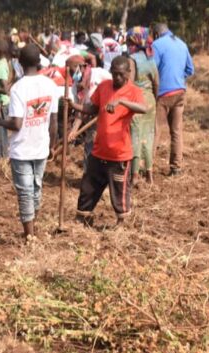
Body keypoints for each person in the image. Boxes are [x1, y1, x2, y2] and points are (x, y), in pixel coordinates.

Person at [0, 44, 59, 240]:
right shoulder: (50, 85)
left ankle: (29, 235)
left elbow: (16, 124)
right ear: (39, 63)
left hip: (22, 149)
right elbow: (53, 121)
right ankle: (32, 229)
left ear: (19, 63)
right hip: (41, 147)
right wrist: (52, 146)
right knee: (36, 188)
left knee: (25, 192)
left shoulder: (18, 88)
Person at [71, 56, 147, 227]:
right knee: (88, 186)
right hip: (99, 150)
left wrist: (121, 101)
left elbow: (144, 108)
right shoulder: (104, 86)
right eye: (114, 74)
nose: (117, 78)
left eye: (120, 74)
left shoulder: (133, 91)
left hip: (119, 153)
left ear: (128, 73)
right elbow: (93, 108)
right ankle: (83, 217)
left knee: (119, 191)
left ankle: (122, 223)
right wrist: (74, 105)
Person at [152, 23, 194, 176]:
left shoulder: (156, 45)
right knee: (176, 131)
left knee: (155, 130)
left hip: (163, 94)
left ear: (156, 34)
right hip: (180, 92)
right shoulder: (182, 44)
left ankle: (147, 167)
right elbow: (190, 69)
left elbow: (152, 68)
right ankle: (176, 167)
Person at [126, 27, 159, 186]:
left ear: (134, 41)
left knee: (135, 137)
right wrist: (155, 100)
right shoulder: (150, 58)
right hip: (150, 100)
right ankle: (150, 174)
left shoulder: (131, 59)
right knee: (149, 136)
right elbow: (156, 82)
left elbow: (130, 84)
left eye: (129, 41)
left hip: (137, 101)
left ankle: (135, 175)